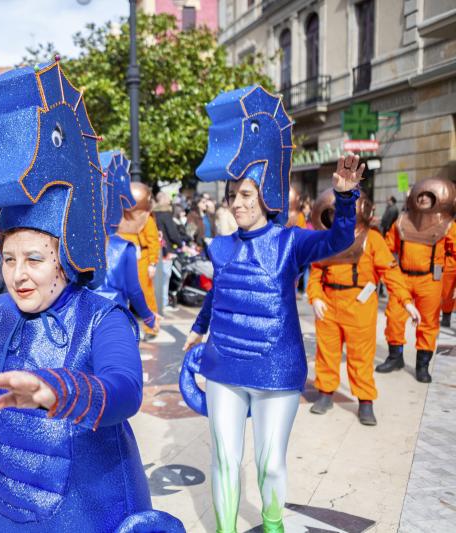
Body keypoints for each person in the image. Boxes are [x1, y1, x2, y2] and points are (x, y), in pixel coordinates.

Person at [0, 59, 183, 532]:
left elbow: (124, 391)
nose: (18, 275)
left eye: (35, 259)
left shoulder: (102, 317)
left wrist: (58, 390)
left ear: (65, 258)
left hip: (85, 506)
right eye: (10, 258)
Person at [181, 86, 362, 533]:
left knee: (271, 462)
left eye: (246, 194)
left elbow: (339, 241)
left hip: (277, 369)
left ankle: (273, 523)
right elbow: (218, 294)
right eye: (233, 196)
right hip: (225, 365)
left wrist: (344, 199)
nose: (238, 203)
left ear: (265, 196)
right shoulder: (220, 246)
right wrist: (199, 329)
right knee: (223, 456)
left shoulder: (291, 241)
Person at [306, 189, 419, 426]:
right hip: (327, 304)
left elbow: (390, 272)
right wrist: (315, 298)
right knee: (326, 353)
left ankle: (365, 401)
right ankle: (326, 393)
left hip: (360, 305)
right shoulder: (325, 239)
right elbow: (315, 273)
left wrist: (406, 302)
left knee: (361, 357)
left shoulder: (372, 239)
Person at [377, 178, 455, 382]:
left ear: (437, 200)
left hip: (430, 280)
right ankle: (395, 357)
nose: (422, 200)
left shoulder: (447, 226)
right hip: (402, 278)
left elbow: (454, 252)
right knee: (394, 317)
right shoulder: (401, 222)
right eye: (420, 196)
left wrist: (443, 267)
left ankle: (423, 365)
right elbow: (386, 249)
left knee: (428, 324)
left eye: (427, 197)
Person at [95, 151, 161, 334]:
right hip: (112, 319)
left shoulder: (86, 242)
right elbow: (134, 291)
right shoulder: (124, 248)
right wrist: (149, 318)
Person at [118, 183, 161, 338]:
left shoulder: (146, 219)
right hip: (121, 259)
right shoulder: (117, 216)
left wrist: (152, 263)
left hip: (140, 259)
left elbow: (153, 242)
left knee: (146, 294)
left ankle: (151, 328)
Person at [153, 191, 186, 312]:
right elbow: (172, 233)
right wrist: (179, 243)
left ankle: (156, 302)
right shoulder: (166, 214)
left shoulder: (153, 213)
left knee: (156, 278)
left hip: (156, 248)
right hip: (167, 250)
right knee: (165, 278)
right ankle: (163, 303)